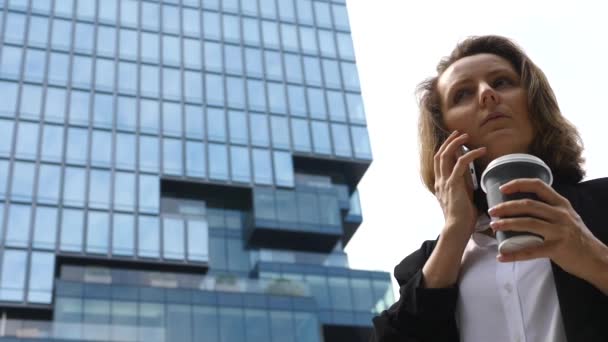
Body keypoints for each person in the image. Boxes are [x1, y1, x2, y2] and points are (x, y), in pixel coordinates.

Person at [370, 35, 608, 342]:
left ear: (533, 103)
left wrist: (592, 256)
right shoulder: (426, 265)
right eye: (462, 94)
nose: (487, 94)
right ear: (446, 134)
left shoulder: (602, 205)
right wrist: (456, 230)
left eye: (502, 82)